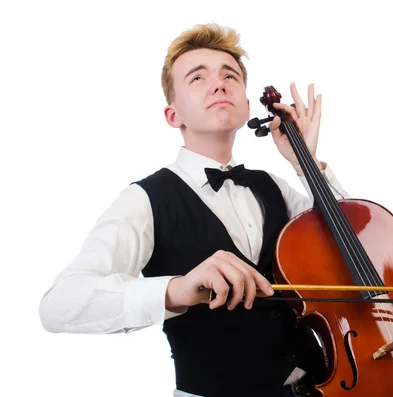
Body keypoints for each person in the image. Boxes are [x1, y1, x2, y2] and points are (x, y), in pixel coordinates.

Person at [38, 22, 349, 397]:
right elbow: (58, 305)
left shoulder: (275, 188)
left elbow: (357, 254)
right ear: (173, 116)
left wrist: (307, 164)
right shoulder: (145, 199)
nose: (219, 84)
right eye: (197, 78)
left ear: (248, 106)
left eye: (229, 75)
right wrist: (175, 290)